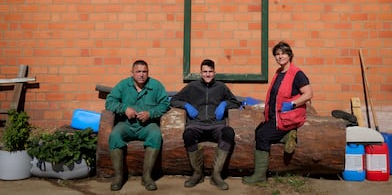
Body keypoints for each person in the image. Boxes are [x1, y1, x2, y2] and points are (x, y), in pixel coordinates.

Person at [242, 41, 313, 184]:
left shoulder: (297, 74)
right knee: (259, 130)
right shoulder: (279, 72)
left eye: (283, 53)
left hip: (287, 117)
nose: (280, 56)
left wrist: (293, 104)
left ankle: (260, 176)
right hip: (276, 116)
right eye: (277, 54)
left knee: (262, 136)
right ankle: (287, 136)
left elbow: (308, 94)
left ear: (289, 55)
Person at [170, 59, 241, 191]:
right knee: (188, 134)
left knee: (228, 133)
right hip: (196, 124)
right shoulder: (192, 87)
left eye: (210, 72)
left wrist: (224, 104)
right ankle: (197, 173)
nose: (207, 74)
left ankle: (216, 174)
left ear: (214, 72)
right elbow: (174, 100)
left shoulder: (221, 87)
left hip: (217, 125)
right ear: (200, 73)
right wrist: (186, 105)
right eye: (205, 72)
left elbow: (236, 103)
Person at [105, 60, 170, 192]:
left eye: (144, 71)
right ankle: (118, 177)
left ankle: (147, 177)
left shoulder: (156, 86)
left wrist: (150, 113)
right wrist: (124, 109)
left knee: (156, 134)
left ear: (148, 73)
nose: (141, 75)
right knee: (114, 135)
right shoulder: (123, 85)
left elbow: (165, 104)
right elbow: (109, 102)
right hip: (126, 124)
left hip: (147, 125)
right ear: (132, 73)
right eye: (138, 71)